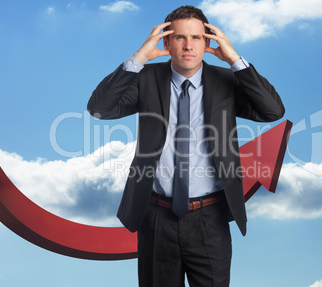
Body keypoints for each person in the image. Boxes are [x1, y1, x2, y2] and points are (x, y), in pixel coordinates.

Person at [87, 5, 284, 287]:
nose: (188, 45)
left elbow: (273, 111)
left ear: (208, 42)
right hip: (155, 218)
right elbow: (99, 109)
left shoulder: (226, 81)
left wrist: (235, 60)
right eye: (180, 37)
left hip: (211, 218)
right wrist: (139, 58)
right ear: (166, 42)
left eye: (196, 38)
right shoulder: (146, 79)